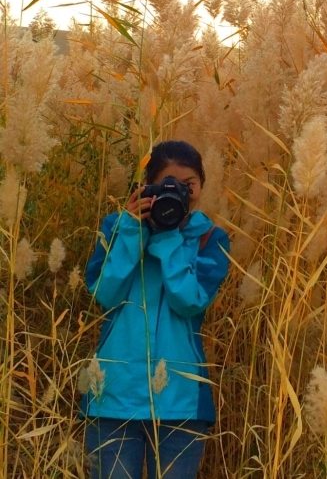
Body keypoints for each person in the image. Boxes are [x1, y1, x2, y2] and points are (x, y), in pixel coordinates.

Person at [82, 140, 230, 479]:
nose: (179, 192)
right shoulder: (117, 228)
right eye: (168, 184)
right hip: (113, 393)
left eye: (188, 185)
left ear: (201, 186)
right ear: (147, 185)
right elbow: (104, 293)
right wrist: (134, 232)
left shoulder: (211, 239)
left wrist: (166, 239)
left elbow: (189, 300)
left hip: (181, 399)